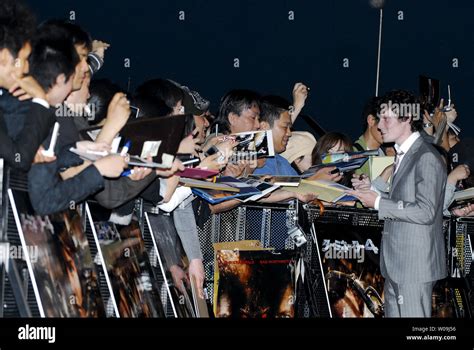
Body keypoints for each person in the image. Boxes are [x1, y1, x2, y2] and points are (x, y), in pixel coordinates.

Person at [348, 90, 447, 317]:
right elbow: (405, 202)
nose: (380, 124)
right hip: (397, 266)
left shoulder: (426, 157)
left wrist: (378, 202)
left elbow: (426, 211)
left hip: (413, 268)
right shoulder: (405, 155)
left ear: (406, 118)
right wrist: (371, 191)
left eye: (386, 118)